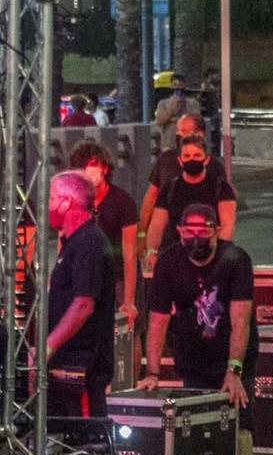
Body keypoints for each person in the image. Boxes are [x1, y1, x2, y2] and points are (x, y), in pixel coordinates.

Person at [0, 171, 136, 455]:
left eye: (52, 197)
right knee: (45, 442)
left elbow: (84, 305)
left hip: (83, 368)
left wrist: (48, 348)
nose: (46, 206)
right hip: (62, 370)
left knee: (94, 450)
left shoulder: (89, 243)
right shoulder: (70, 243)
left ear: (67, 203)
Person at [138, 202, 256, 455]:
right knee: (199, 428)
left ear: (217, 229)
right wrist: (152, 372)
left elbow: (240, 319)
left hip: (233, 352)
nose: (195, 237)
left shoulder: (236, 260)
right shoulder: (169, 262)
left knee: (239, 421)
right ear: (178, 231)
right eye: (189, 231)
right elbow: (158, 320)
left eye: (203, 230)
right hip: (193, 355)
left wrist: (234, 370)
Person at [71, 141, 141, 328]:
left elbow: (130, 253)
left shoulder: (122, 201)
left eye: (94, 165)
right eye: (84, 166)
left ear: (106, 168)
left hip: (116, 277)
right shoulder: (74, 202)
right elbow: (65, 244)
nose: (89, 171)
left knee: (127, 331)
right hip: (84, 277)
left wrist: (129, 300)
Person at [144, 134, 239, 269]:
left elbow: (227, 226)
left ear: (206, 160)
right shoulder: (169, 189)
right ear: (180, 160)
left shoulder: (221, 188)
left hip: (212, 260)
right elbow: (156, 226)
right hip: (176, 261)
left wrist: (215, 257)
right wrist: (152, 252)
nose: (191, 160)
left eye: (197, 156)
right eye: (187, 156)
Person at [138, 111, 207, 238]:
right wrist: (142, 233)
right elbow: (151, 197)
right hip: (168, 237)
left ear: (199, 134)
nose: (179, 134)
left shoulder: (212, 165)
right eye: (178, 130)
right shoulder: (166, 159)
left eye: (184, 130)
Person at [153, 75, 196, 151]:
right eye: (175, 85)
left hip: (187, 144)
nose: (178, 88)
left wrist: (172, 120)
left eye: (180, 85)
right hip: (169, 145)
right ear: (171, 86)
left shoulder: (192, 103)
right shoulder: (163, 103)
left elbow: (195, 121)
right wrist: (171, 109)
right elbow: (159, 121)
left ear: (184, 86)